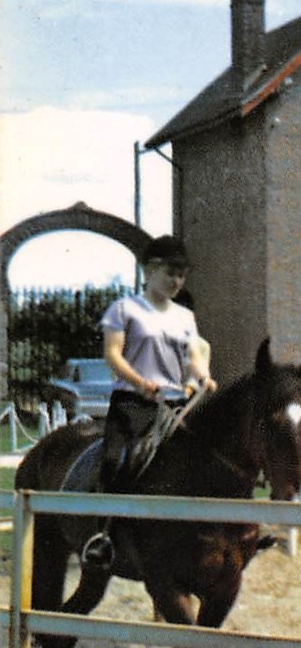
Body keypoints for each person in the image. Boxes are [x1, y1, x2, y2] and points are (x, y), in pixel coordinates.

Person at [81, 236, 217, 568]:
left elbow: (192, 357)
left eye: (181, 275)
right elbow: (112, 355)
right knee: (119, 461)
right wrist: (140, 383)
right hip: (133, 403)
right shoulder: (124, 309)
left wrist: (202, 377)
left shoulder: (185, 316)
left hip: (174, 404)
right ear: (150, 270)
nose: (176, 281)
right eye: (171, 273)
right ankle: (104, 536)